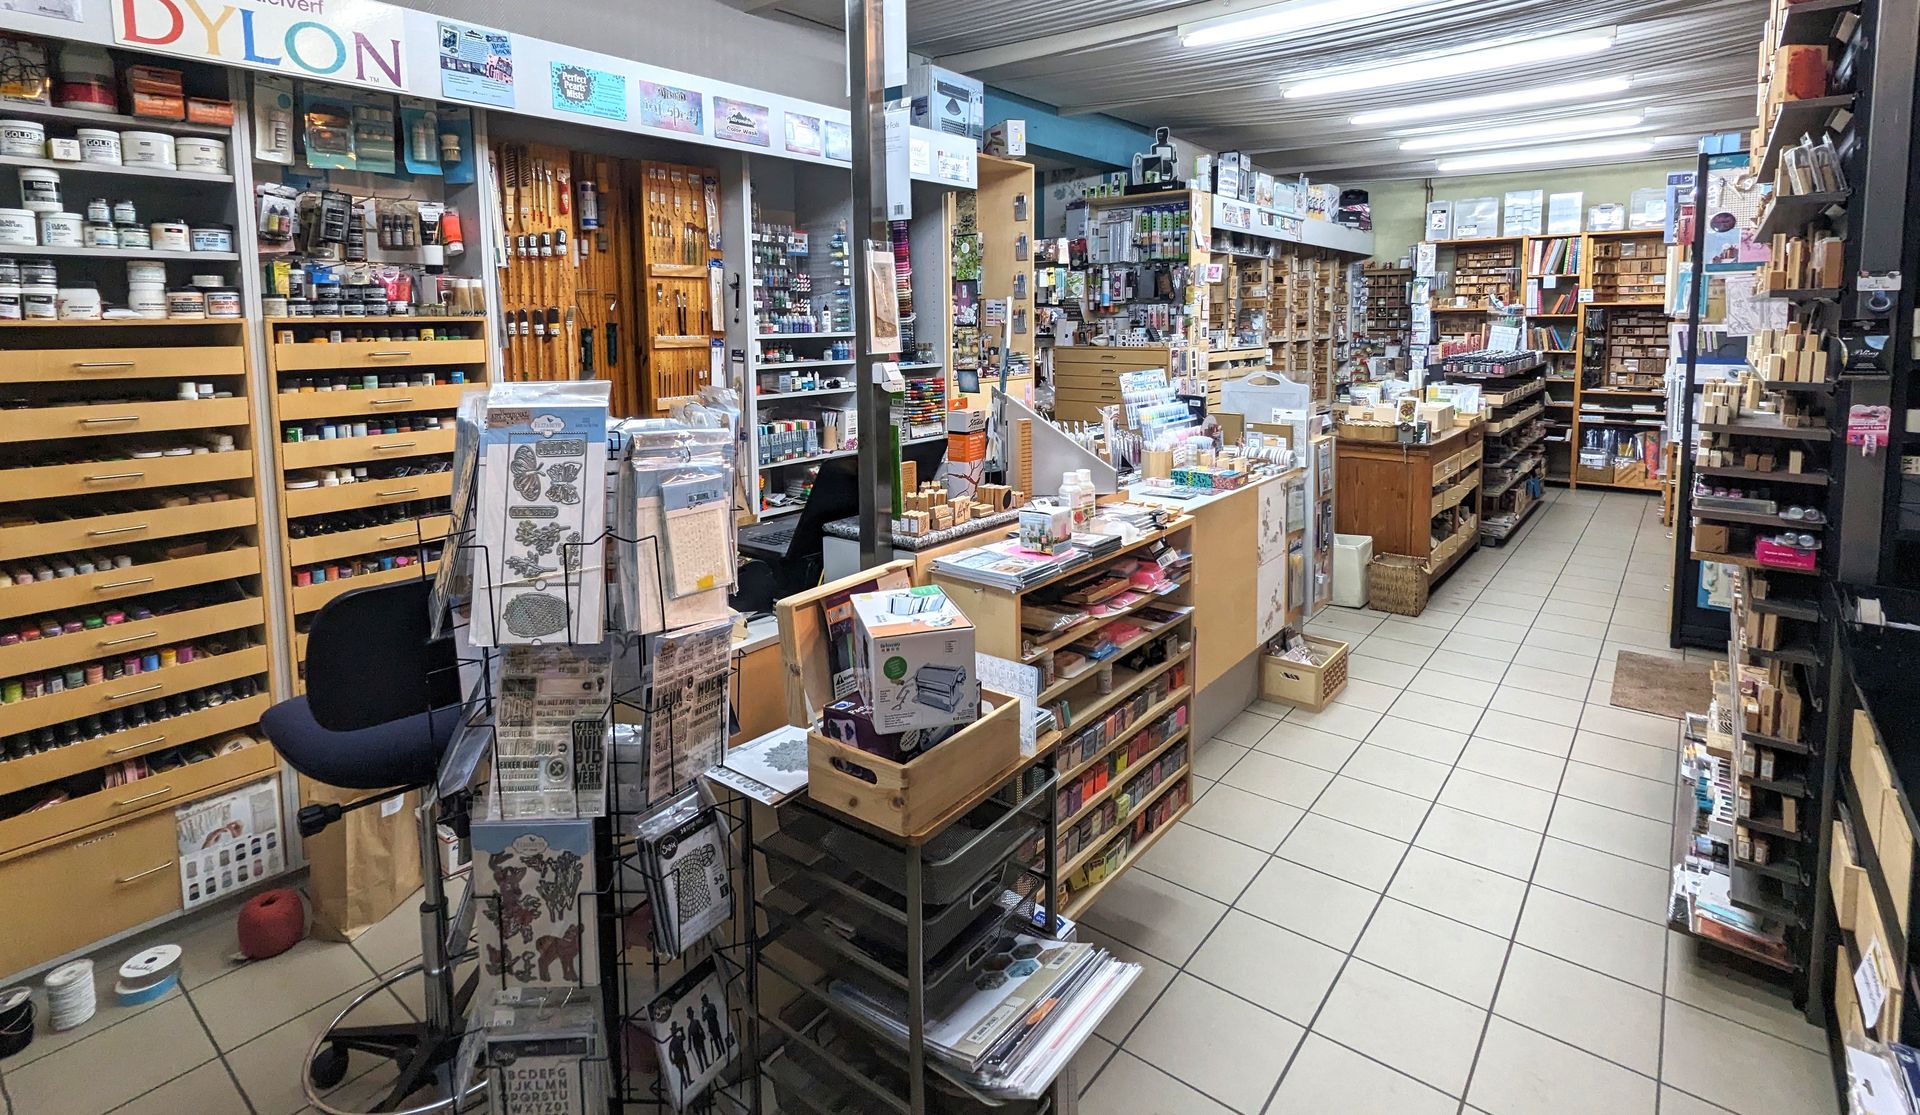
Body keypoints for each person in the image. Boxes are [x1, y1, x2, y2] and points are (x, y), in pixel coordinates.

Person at [700, 992, 727, 1057]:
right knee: (715, 1040)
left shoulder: (711, 1006)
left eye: (705, 1000)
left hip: (715, 1024)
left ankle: (723, 1051)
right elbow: (703, 1019)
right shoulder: (706, 1011)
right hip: (711, 1027)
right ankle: (720, 1053)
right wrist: (702, 1011)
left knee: (719, 1038)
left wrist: (708, 1015)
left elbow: (714, 1013)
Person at [667, 1021, 691, 1091]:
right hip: (677, 1058)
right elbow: (669, 1053)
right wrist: (672, 1061)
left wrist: (682, 1031)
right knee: (682, 1072)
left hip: (682, 1055)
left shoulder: (679, 1038)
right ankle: (685, 1084)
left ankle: (689, 1080)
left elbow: (684, 1038)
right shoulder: (671, 1042)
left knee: (687, 1068)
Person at [686, 1005, 710, 1070]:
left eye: (691, 1014)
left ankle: (707, 1064)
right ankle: (702, 1068)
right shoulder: (689, 1027)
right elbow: (689, 1038)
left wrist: (703, 1035)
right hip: (695, 1040)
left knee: (704, 1052)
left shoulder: (697, 1021)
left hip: (699, 1037)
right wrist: (689, 1047)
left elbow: (701, 1028)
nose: (691, 1016)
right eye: (690, 1015)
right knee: (699, 1055)